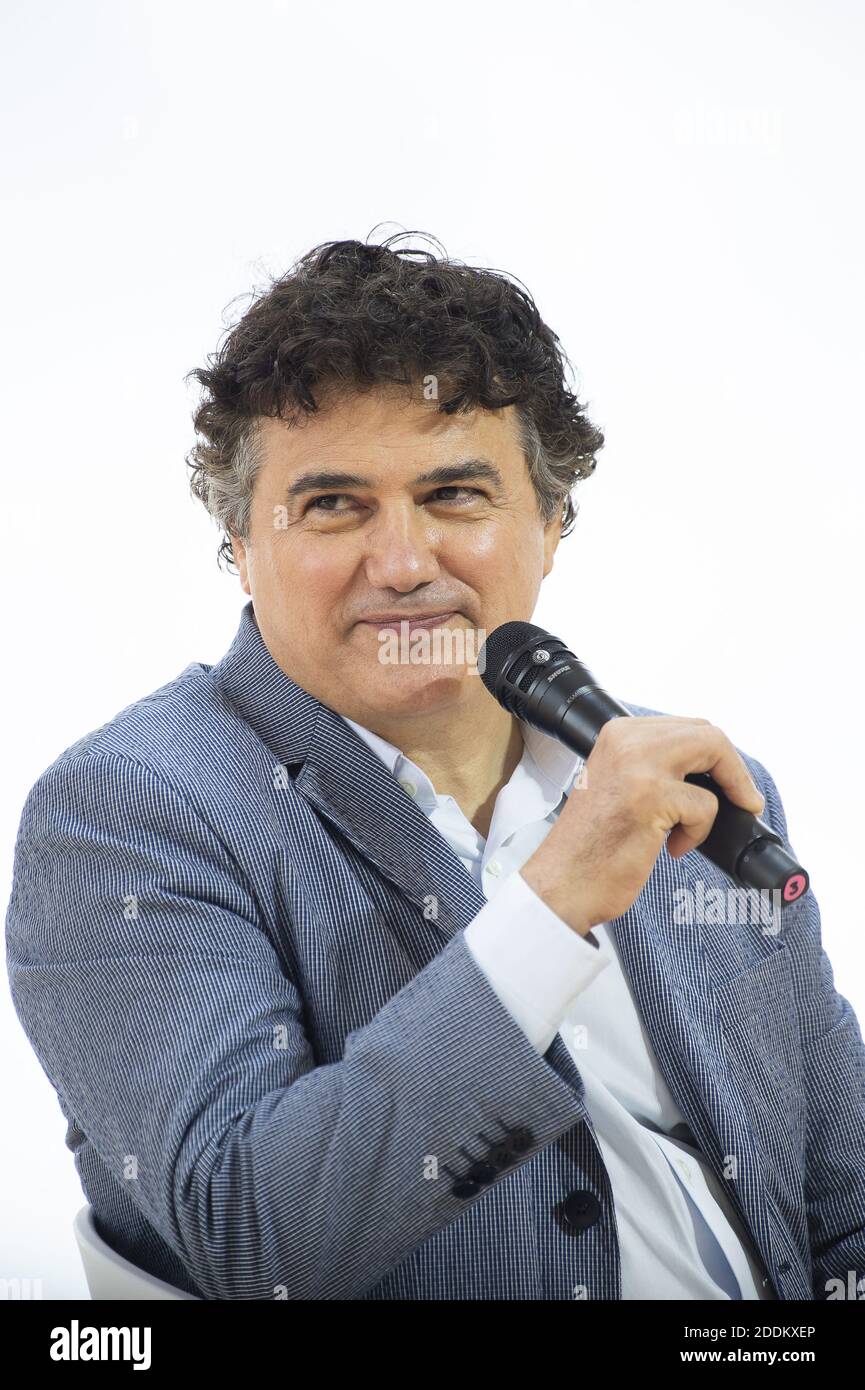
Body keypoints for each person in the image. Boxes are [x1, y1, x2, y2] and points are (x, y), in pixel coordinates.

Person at [6, 235, 864, 1301]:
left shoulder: (688, 788)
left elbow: (841, 1197)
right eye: (333, 505)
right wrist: (548, 912)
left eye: (455, 494)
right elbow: (255, 1243)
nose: (404, 564)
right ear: (237, 539)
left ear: (550, 524)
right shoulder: (127, 813)